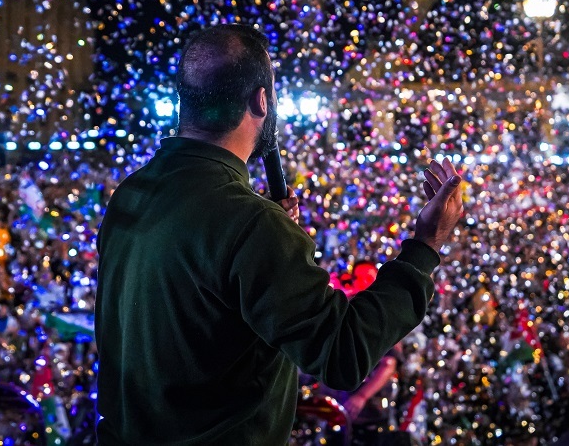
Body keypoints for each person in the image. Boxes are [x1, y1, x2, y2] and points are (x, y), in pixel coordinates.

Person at [94, 23, 465, 445]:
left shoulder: (132, 191)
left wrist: (267, 240)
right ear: (261, 99)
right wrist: (424, 247)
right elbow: (343, 354)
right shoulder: (248, 222)